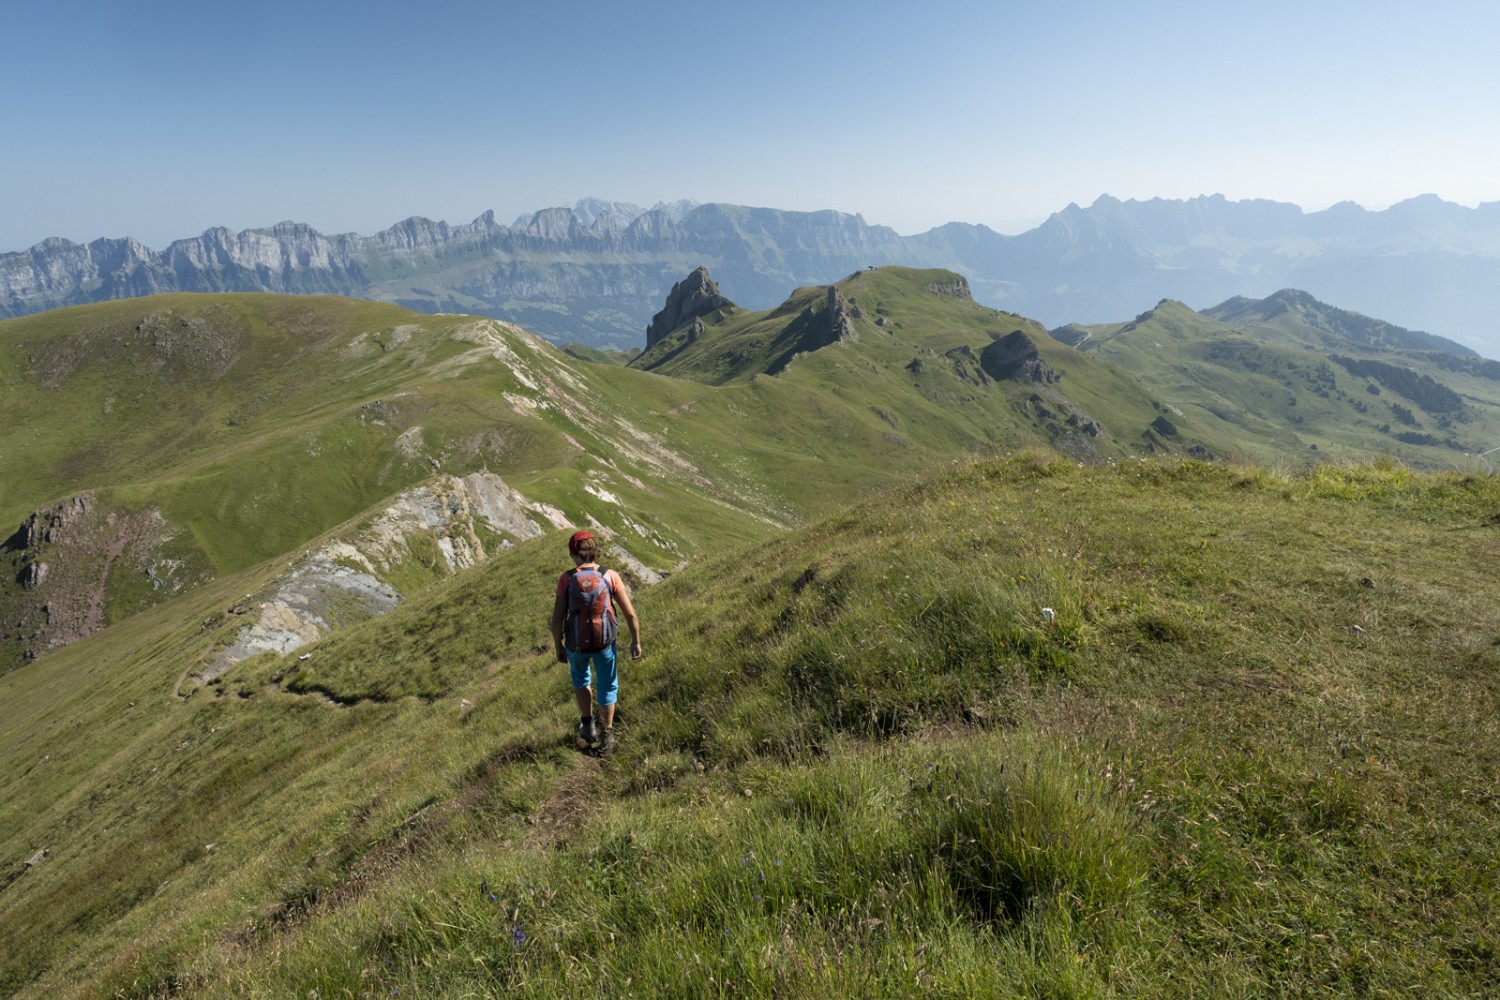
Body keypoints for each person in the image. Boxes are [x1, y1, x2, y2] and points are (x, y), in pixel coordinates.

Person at [550, 530, 642, 753]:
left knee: (581, 680)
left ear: (573, 554)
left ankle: (588, 725)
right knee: (607, 684)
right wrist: (635, 641)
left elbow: (556, 619)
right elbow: (630, 614)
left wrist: (558, 646)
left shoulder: (567, 578)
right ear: (595, 551)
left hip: (576, 644)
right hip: (605, 642)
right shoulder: (610, 575)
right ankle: (608, 734)